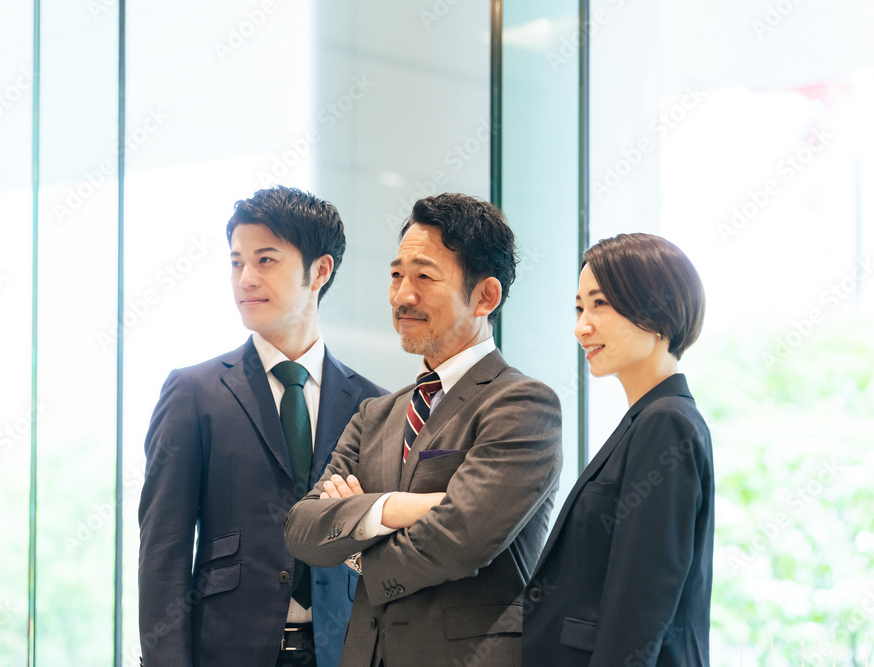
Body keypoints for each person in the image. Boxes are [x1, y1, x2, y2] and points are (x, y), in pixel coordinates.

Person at [284, 193, 563, 667]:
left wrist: (357, 540)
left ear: (486, 296)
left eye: (424, 277)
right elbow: (302, 528)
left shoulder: (522, 404)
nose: (401, 297)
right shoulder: (375, 415)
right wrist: (394, 506)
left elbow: (461, 538)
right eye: (396, 275)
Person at [137, 185, 385, 667]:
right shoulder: (194, 393)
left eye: (265, 260)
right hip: (227, 650)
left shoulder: (372, 405)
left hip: (343, 651)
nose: (245, 279)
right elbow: (163, 552)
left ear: (320, 271)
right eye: (236, 263)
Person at [521, 232, 714, 666]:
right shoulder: (648, 420)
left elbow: (640, 605)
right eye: (579, 308)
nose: (581, 327)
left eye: (600, 304)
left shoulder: (666, 424)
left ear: (658, 311)